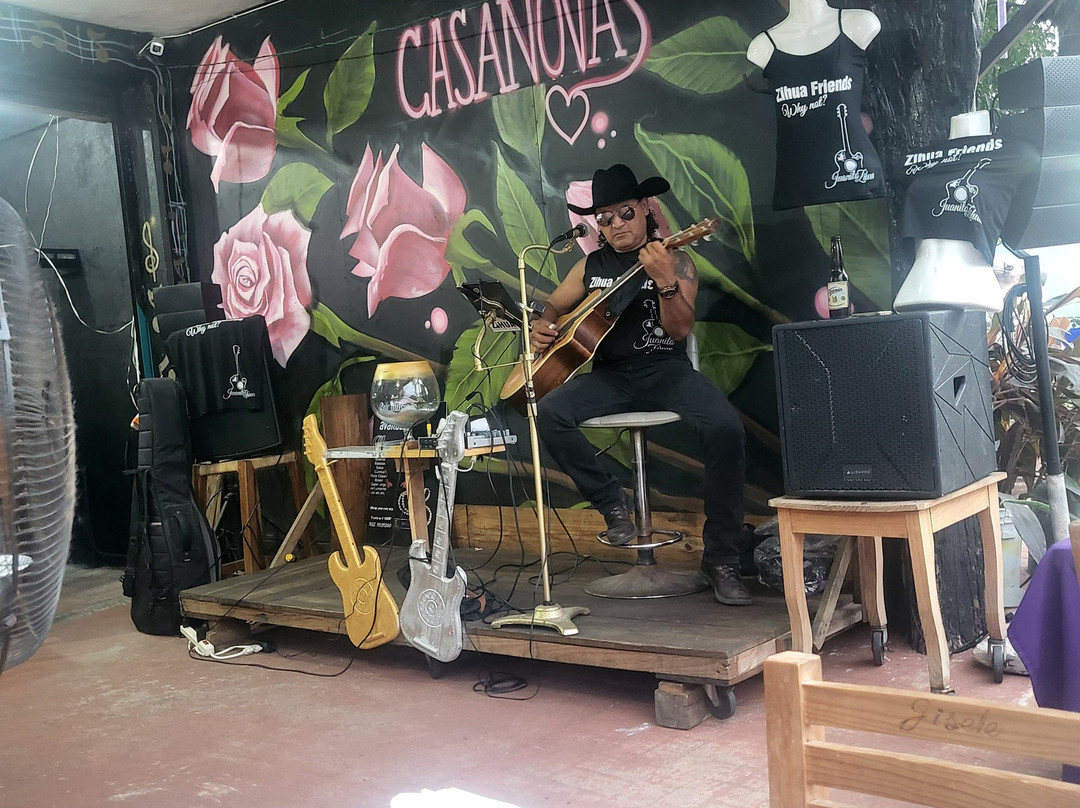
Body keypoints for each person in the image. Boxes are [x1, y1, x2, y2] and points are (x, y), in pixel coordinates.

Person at [531, 164, 752, 606]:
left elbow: (679, 330)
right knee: (549, 410)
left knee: (726, 429)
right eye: (605, 218)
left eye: (626, 213)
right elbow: (552, 305)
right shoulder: (591, 266)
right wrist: (543, 324)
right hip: (610, 376)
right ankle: (613, 503)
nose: (617, 224)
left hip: (667, 372)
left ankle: (721, 559)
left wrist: (666, 282)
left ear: (646, 208)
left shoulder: (675, 258)